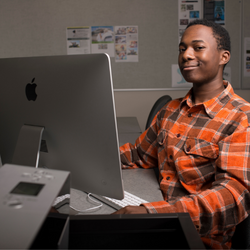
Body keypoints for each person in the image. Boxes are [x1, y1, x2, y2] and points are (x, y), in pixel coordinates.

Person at [113, 19, 250, 249]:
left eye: (198, 47)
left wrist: (151, 213)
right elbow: (139, 154)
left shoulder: (241, 117)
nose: (186, 55)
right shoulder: (171, 110)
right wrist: (84, 159)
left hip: (197, 238)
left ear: (223, 57)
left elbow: (232, 197)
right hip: (159, 215)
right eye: (182, 48)